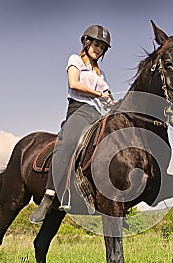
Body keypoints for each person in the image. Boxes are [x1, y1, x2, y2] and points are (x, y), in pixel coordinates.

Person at [29, 25, 113, 224]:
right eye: (96, 44)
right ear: (87, 42)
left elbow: (107, 97)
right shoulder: (75, 60)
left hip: (95, 115)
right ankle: (49, 196)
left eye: (102, 47)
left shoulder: (100, 75)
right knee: (67, 143)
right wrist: (99, 95)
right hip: (78, 111)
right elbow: (73, 84)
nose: (98, 49)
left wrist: (114, 102)